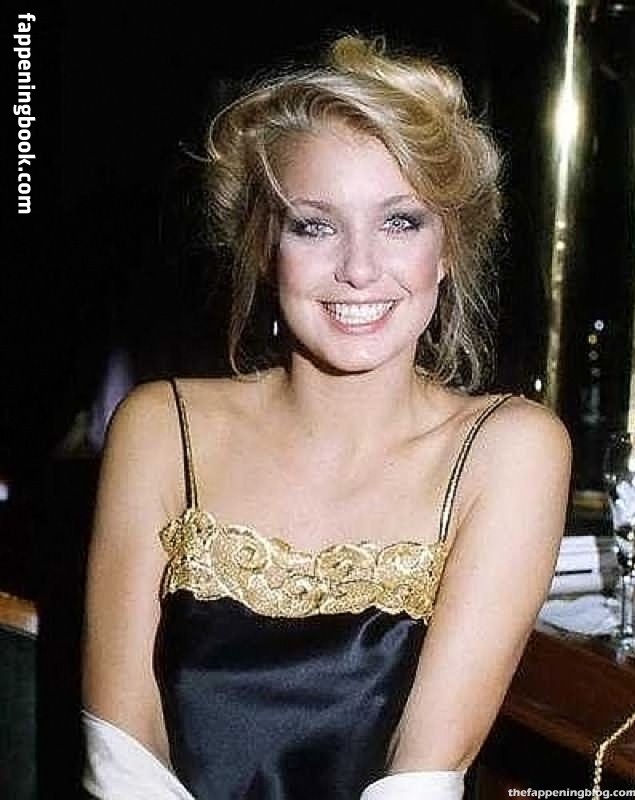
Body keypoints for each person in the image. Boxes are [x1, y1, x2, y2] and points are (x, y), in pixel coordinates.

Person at [80, 34, 572, 800]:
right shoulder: (160, 429)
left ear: (448, 248)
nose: (359, 269)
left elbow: (421, 776)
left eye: (401, 222)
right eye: (314, 225)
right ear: (264, 245)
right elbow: (122, 755)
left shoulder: (508, 451)